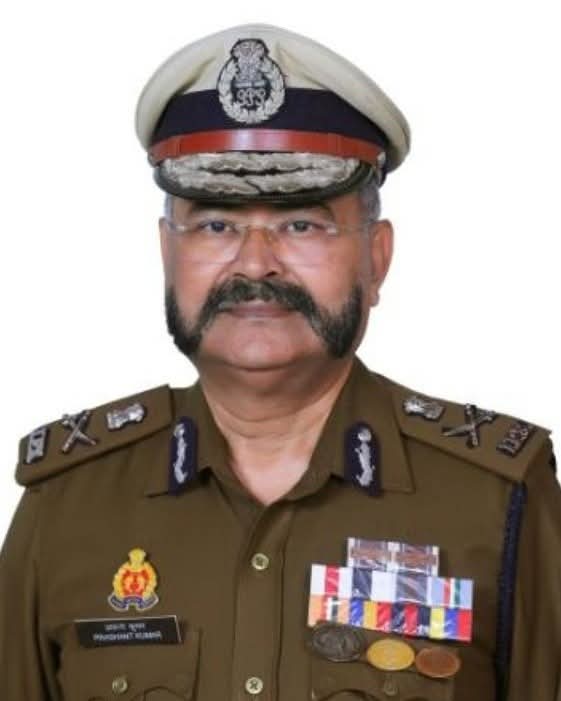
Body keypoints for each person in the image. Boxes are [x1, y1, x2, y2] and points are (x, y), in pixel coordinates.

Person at [1, 21, 559, 701]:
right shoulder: (65, 503)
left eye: (302, 224)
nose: (255, 264)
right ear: (167, 254)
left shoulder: (495, 498)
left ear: (376, 258)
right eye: (216, 224)